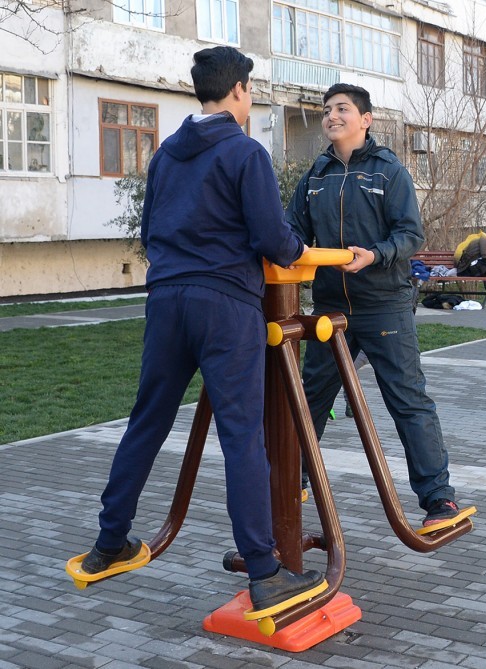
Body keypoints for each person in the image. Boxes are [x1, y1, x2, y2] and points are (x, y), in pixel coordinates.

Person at [79, 46, 324, 613]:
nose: (253, 99)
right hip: (224, 305)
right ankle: (266, 573)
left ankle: (108, 543)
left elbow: (150, 228)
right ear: (237, 90)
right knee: (242, 434)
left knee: (148, 420)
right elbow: (271, 236)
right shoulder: (244, 152)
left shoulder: (165, 155)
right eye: (251, 90)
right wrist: (301, 250)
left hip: (166, 300)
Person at [286, 83, 464, 529]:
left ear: (365, 119)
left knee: (407, 400)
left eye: (342, 109)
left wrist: (375, 254)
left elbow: (410, 235)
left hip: (384, 304)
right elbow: (290, 230)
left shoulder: (389, 172)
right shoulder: (316, 175)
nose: (332, 116)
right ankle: (293, 480)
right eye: (327, 110)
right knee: (308, 400)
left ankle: (438, 500)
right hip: (331, 308)